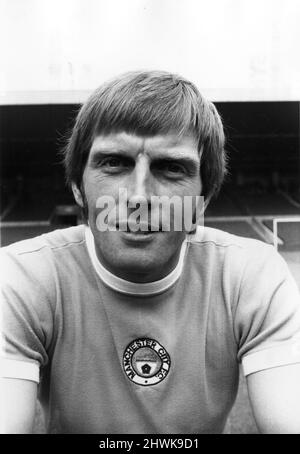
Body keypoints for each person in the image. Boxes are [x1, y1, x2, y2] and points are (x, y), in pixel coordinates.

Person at [1, 70, 300, 434]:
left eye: (171, 168)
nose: (139, 197)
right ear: (78, 188)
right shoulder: (23, 277)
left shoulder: (251, 277)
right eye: (114, 162)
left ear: (201, 201)